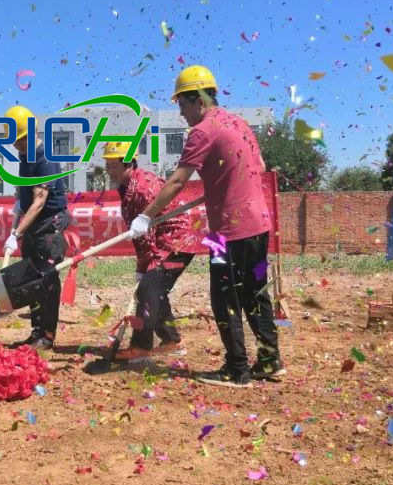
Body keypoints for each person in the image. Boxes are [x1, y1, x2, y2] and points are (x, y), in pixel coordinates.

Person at [128, 66, 283, 388]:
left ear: (196, 100)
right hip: (259, 224)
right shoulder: (237, 123)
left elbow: (177, 180)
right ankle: (270, 361)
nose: (181, 114)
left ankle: (236, 369)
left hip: (227, 232)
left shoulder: (203, 131)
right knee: (255, 294)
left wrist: (146, 216)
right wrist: (221, 185)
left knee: (224, 297)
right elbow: (260, 167)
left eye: (182, 106)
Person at [102, 142, 195, 361]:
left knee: (147, 292)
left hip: (176, 243)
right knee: (153, 291)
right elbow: (141, 232)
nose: (109, 171)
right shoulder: (127, 186)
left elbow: (148, 236)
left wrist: (146, 267)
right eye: (107, 166)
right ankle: (172, 341)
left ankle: (141, 347)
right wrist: (141, 268)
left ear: (128, 164)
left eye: (113, 166)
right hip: (163, 243)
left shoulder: (143, 188)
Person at [1, 105, 72, 350]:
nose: (16, 145)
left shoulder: (45, 158)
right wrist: (19, 202)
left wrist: (16, 233)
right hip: (33, 223)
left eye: (19, 140)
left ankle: (47, 336)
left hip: (48, 224)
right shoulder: (26, 157)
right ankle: (36, 332)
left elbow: (40, 201)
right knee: (32, 279)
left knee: (46, 280)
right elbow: (29, 194)